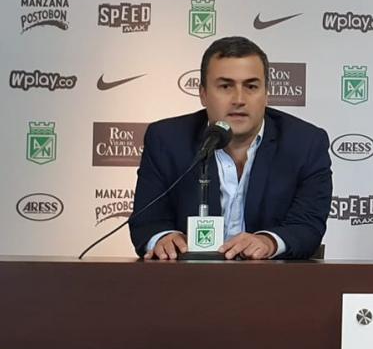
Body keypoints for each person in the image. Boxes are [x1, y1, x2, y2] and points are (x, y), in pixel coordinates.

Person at [130, 36, 332, 260]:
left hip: (270, 278)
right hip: (187, 277)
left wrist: (270, 241)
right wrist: (163, 238)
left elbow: (308, 225)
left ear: (267, 94)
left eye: (251, 86)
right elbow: (146, 221)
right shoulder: (167, 140)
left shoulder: (305, 143)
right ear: (203, 94)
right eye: (226, 86)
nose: (239, 99)